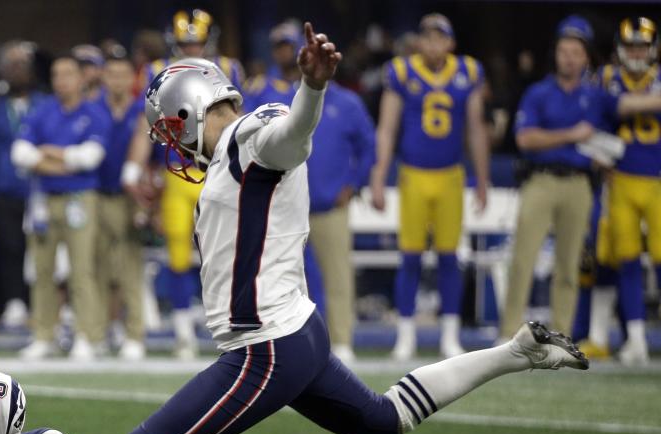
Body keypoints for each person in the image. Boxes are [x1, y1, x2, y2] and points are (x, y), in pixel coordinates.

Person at [0, 24, 590, 434]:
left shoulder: (249, 134)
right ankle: (517, 353)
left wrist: (313, 88)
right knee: (381, 421)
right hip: (296, 333)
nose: (170, 143)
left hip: (265, 346)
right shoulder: (230, 152)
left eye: (169, 128)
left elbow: (290, 134)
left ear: (186, 113)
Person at [500, 15, 661, 340]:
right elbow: (525, 139)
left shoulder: (596, 95)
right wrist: (571, 134)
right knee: (523, 260)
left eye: (576, 52)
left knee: (570, 266)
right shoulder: (539, 92)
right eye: (564, 51)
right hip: (541, 180)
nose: (570, 58)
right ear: (555, 54)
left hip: (579, 184)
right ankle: (507, 334)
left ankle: (562, 337)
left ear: (586, 56)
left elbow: (632, 104)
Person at [244, 20, 376, 361]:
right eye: (280, 46)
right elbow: (245, 139)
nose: (285, 52)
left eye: (290, 45)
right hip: (281, 203)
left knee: (337, 275)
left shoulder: (345, 101)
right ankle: (287, 343)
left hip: (328, 202)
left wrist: (355, 184)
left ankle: (342, 341)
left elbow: (368, 146)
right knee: (279, 277)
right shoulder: (263, 92)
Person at [122, 9, 246, 359]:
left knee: (227, 253)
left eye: (196, 42)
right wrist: (133, 166)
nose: (191, 49)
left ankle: (232, 327)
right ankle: (182, 333)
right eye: (184, 43)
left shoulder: (228, 68)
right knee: (177, 251)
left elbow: (239, 122)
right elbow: (145, 124)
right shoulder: (156, 71)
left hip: (217, 170)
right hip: (177, 170)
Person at [369, 13, 490, 360]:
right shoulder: (402, 72)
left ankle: (450, 334)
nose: (433, 43)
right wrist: (379, 176)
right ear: (419, 41)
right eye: (428, 37)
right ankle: (405, 334)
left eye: (440, 37)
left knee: (450, 257)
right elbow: (387, 128)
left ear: (450, 42)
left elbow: (476, 128)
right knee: (410, 256)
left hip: (451, 175)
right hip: (413, 175)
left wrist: (482, 178)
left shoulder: (467, 71)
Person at [12, 54, 110, 360]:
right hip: (44, 198)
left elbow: (90, 158)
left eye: (67, 74)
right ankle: (44, 334)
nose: (61, 81)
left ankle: (86, 335)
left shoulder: (94, 113)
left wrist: (47, 156)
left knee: (82, 269)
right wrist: (66, 161)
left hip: (80, 199)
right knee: (42, 270)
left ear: (81, 78)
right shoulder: (42, 111)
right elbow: (20, 153)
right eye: (56, 74)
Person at [601, 17, 660, 365]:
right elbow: (599, 114)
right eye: (631, 46)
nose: (637, 52)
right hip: (620, 180)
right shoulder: (607, 78)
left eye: (642, 46)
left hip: (657, 181)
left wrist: (625, 105)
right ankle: (636, 339)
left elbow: (614, 107)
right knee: (627, 262)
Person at [0, 41, 43, 330]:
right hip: (5, 189)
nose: (18, 72)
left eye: (23, 67)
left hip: (40, 188)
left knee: (42, 248)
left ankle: (41, 302)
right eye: (12, 67)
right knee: (10, 247)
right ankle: (15, 300)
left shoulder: (45, 104)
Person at [95, 51, 148, 360]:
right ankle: (101, 331)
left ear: (132, 79)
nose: (117, 81)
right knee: (99, 266)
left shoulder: (143, 110)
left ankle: (134, 333)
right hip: (97, 193)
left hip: (130, 196)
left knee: (130, 266)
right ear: (104, 77)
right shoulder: (94, 108)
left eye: (123, 75)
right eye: (111, 74)